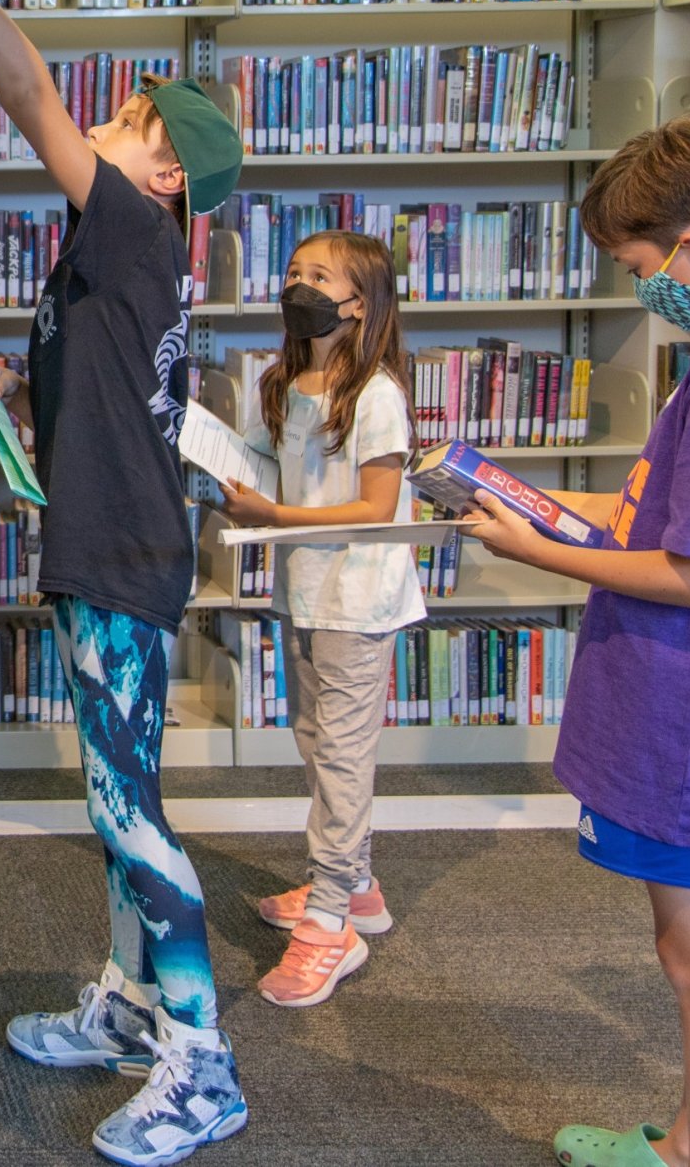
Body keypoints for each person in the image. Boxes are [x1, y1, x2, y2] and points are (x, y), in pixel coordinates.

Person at [0, 0, 248, 1166]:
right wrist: (28, 389)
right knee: (118, 793)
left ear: (160, 164)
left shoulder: (126, 225)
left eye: (122, 121)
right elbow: (104, 394)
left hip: (117, 565)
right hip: (112, 551)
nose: (98, 129)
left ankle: (201, 1063)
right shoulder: (119, 259)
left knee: (128, 810)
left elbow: (24, 92)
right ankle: (128, 1010)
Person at [461, 114, 690, 1167]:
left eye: (640, 266)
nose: (644, 288)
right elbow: (678, 515)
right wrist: (535, 505)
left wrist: (538, 553)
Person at [219, 230, 422, 1006]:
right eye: (294, 272)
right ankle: (357, 885)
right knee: (315, 742)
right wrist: (235, 479)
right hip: (302, 590)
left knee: (341, 759)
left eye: (319, 276)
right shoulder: (284, 381)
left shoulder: (375, 395)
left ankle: (331, 923)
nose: (298, 285)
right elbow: (273, 469)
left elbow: (376, 506)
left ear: (360, 302)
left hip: (357, 598)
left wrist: (273, 512)